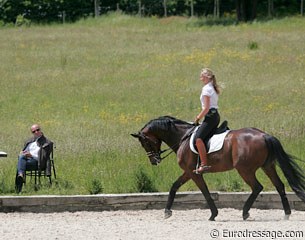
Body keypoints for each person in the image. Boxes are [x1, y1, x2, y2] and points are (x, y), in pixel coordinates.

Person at [193, 68, 221, 174]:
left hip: (210, 117)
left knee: (198, 138)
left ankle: (204, 164)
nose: (200, 77)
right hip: (215, 116)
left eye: (202, 75)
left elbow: (206, 108)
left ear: (207, 77)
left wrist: (197, 118)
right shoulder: (212, 88)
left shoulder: (206, 89)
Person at [15, 124, 53, 192]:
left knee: (20, 164)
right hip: (27, 161)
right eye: (33, 131)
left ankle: (18, 188)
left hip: (38, 163)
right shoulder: (30, 141)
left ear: (40, 130)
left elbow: (43, 158)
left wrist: (31, 155)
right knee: (21, 158)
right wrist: (23, 152)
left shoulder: (47, 142)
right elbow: (24, 151)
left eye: (37, 130)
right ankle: (21, 175)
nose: (36, 132)